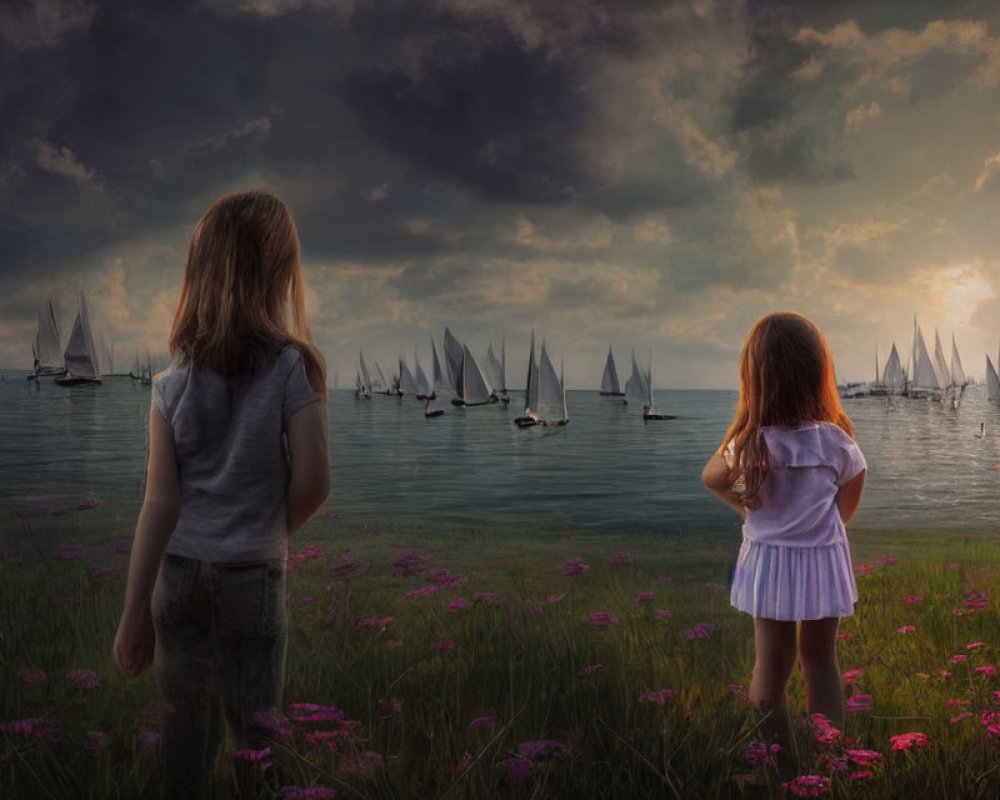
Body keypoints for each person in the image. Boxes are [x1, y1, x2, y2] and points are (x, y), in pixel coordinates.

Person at [112, 190, 330, 797]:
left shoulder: (169, 385)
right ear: (280, 274)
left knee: (184, 740)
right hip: (251, 580)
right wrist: (264, 528)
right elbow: (314, 483)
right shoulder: (294, 368)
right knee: (256, 742)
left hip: (176, 580)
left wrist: (133, 615)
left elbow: (159, 504)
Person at [701, 311, 865, 744]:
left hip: (768, 563)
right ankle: (827, 759)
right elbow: (845, 509)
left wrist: (748, 509)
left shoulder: (750, 442)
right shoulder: (837, 442)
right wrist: (813, 529)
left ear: (753, 379)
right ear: (818, 374)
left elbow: (711, 477)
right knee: (820, 660)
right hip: (822, 561)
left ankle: (774, 760)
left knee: (770, 666)